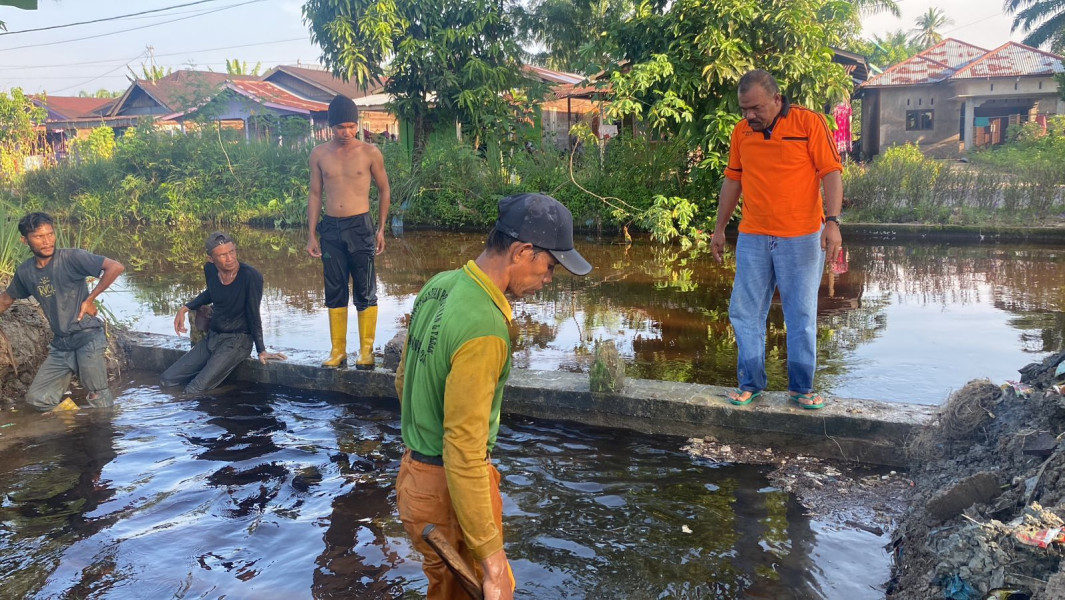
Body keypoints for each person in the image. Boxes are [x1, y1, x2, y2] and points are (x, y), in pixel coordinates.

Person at [394, 193, 593, 600]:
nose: (548, 280)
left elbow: (404, 380)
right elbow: (463, 450)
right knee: (490, 589)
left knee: (444, 589)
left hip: (415, 478)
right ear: (523, 252)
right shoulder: (485, 325)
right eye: (550, 267)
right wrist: (494, 561)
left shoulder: (439, 286)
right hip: (449, 493)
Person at [710, 69, 843, 410]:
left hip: (801, 237)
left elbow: (830, 173)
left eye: (755, 108)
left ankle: (801, 388)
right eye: (743, 109)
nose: (748, 116)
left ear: (776, 99)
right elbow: (732, 181)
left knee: (800, 314)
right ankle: (750, 383)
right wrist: (720, 228)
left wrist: (832, 222)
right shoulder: (741, 133)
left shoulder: (808, 124)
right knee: (744, 311)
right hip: (753, 235)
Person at [0, 212, 125, 411]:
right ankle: (73, 426)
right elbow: (5, 300)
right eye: (39, 237)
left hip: (87, 336)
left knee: (97, 395)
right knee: (37, 398)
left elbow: (115, 267)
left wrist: (90, 299)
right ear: (25, 240)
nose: (47, 241)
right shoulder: (25, 272)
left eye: (50, 234)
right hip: (62, 343)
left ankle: (105, 434)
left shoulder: (72, 257)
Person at [306, 94, 391, 370]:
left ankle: (366, 352)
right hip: (331, 227)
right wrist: (311, 233)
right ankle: (337, 350)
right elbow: (315, 193)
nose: (346, 132)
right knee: (334, 287)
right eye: (340, 127)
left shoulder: (370, 153)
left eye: (350, 126)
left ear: (357, 124)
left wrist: (380, 228)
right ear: (331, 127)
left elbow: (384, 189)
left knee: (365, 288)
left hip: (360, 226)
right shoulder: (319, 154)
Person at [160, 232, 286, 395]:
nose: (230, 258)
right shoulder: (211, 270)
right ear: (211, 259)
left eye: (232, 252)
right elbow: (212, 292)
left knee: (193, 390)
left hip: (237, 341)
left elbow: (254, 314)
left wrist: (261, 349)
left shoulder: (251, 276)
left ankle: (230, 390)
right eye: (222, 255)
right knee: (167, 380)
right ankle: (225, 387)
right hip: (213, 337)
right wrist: (185, 308)